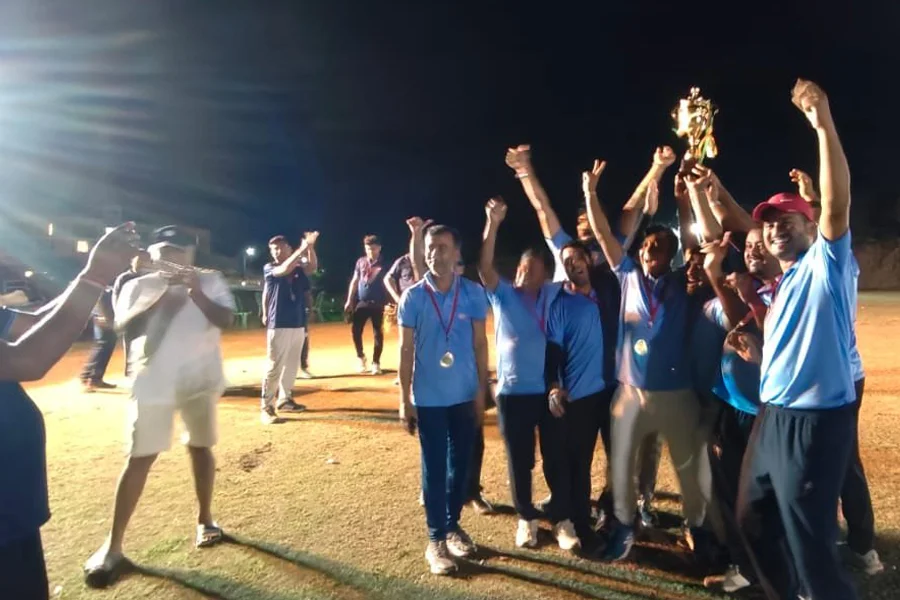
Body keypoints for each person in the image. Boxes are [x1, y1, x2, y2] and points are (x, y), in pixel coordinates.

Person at [737, 80, 860, 600]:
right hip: (772, 418)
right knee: (752, 520)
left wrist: (822, 121)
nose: (775, 230)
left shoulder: (825, 267)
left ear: (811, 227)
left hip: (813, 423)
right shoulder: (781, 281)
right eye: (769, 225)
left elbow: (836, 205)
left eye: (788, 220)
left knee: (812, 547)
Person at [84, 226, 236, 588]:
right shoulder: (138, 284)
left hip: (199, 379)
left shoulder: (210, 280)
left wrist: (195, 292)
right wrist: (163, 302)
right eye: (163, 251)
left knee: (200, 447)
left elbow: (226, 320)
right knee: (139, 456)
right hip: (153, 380)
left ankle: (206, 520)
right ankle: (113, 546)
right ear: (153, 254)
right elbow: (124, 326)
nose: (170, 258)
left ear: (189, 254)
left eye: (177, 251)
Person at [582, 158, 710, 562]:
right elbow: (603, 235)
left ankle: (693, 527)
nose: (649, 250)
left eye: (658, 247)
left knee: (685, 462)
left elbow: (694, 246)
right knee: (623, 462)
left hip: (677, 391)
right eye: (646, 246)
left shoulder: (682, 281)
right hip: (632, 391)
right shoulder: (626, 275)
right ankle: (624, 528)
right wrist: (590, 193)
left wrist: (684, 200)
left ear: (671, 255)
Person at [0, 223, 137, 600]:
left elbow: (35, 322)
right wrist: (94, 276)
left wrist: (89, 280)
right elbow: (27, 360)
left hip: (12, 507)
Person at [789, 168, 883, 575]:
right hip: (822, 380)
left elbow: (833, 213)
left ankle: (861, 546)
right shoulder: (805, 265)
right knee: (822, 464)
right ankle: (837, 541)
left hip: (842, 379)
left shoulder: (836, 260)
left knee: (843, 463)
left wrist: (814, 198)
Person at [398, 223, 489, 576]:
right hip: (430, 398)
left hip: (464, 396)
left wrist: (481, 391)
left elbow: (480, 344)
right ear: (424, 252)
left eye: (443, 247)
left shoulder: (473, 293)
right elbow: (406, 350)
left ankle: (452, 526)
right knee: (434, 468)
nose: (436, 253)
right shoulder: (413, 297)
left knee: (460, 467)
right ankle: (435, 539)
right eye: (431, 247)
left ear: (456, 253)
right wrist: (404, 399)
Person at [478, 200, 557, 546]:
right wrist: (492, 224)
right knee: (519, 460)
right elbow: (484, 267)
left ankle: (561, 513)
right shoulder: (504, 295)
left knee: (555, 456)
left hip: (548, 392)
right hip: (512, 394)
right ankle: (526, 517)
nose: (524, 273)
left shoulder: (553, 295)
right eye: (522, 268)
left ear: (546, 276)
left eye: (533, 269)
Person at [543, 239, 614, 554]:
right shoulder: (561, 304)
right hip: (580, 397)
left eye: (576, 257)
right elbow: (553, 352)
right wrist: (553, 386)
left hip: (612, 393)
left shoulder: (608, 293)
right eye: (566, 261)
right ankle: (581, 524)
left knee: (618, 460)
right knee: (579, 463)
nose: (572, 264)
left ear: (590, 260)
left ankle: (614, 518)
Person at [260, 232, 319, 424]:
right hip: (279, 322)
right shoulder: (270, 268)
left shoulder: (298, 269)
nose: (276, 252)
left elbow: (312, 267)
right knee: (275, 365)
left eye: (280, 248)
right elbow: (283, 269)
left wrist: (310, 248)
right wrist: (302, 249)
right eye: (273, 249)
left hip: (297, 322)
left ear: (288, 249)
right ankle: (266, 406)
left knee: (292, 364)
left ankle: (285, 399)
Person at [345, 234, 387, 375]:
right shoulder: (361, 262)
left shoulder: (385, 264)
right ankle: (360, 357)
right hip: (362, 302)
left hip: (379, 303)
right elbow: (355, 280)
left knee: (378, 333)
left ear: (379, 248)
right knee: (356, 330)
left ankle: (376, 363)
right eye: (368, 249)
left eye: (373, 249)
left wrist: (391, 303)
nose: (371, 252)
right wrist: (349, 300)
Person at [79, 286, 118, 392]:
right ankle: (91, 379)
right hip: (104, 314)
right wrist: (104, 315)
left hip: (104, 313)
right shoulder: (107, 282)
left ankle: (90, 377)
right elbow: (102, 295)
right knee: (103, 345)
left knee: (104, 344)